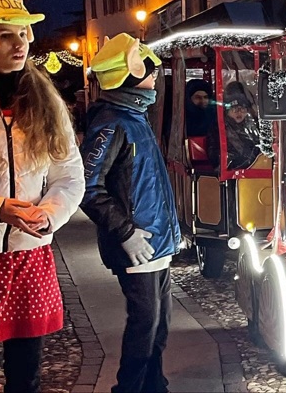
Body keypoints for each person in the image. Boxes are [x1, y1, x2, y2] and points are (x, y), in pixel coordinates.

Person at [0, 0, 85, 392]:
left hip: (29, 255)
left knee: (27, 374)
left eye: (23, 34)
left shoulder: (46, 104)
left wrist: (51, 212)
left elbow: (70, 174)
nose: (18, 44)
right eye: (5, 36)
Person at [80, 33, 181, 393]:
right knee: (145, 325)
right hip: (137, 243)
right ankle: (131, 388)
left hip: (153, 242)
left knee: (159, 323)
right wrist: (125, 233)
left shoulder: (132, 116)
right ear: (130, 76)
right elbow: (88, 188)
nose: (155, 78)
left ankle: (155, 385)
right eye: (149, 71)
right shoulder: (113, 122)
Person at [207, 81, 260, 171]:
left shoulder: (253, 126)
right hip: (230, 175)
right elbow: (216, 157)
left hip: (256, 171)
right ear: (226, 110)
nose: (239, 112)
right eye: (234, 108)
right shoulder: (218, 129)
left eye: (243, 108)